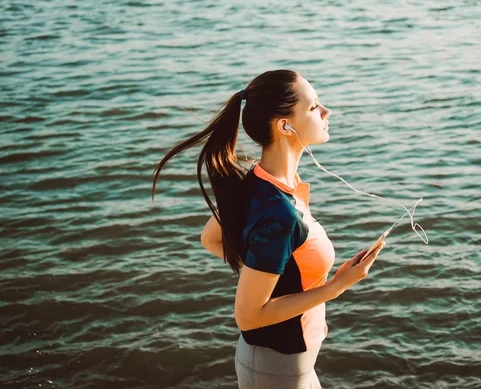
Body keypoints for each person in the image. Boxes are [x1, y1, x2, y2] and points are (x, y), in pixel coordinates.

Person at [152, 69, 386, 388]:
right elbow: (248, 316)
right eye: (314, 106)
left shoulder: (259, 181)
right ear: (285, 125)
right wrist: (337, 286)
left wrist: (263, 273)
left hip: (288, 363)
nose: (326, 111)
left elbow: (211, 238)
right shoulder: (280, 213)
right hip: (278, 368)